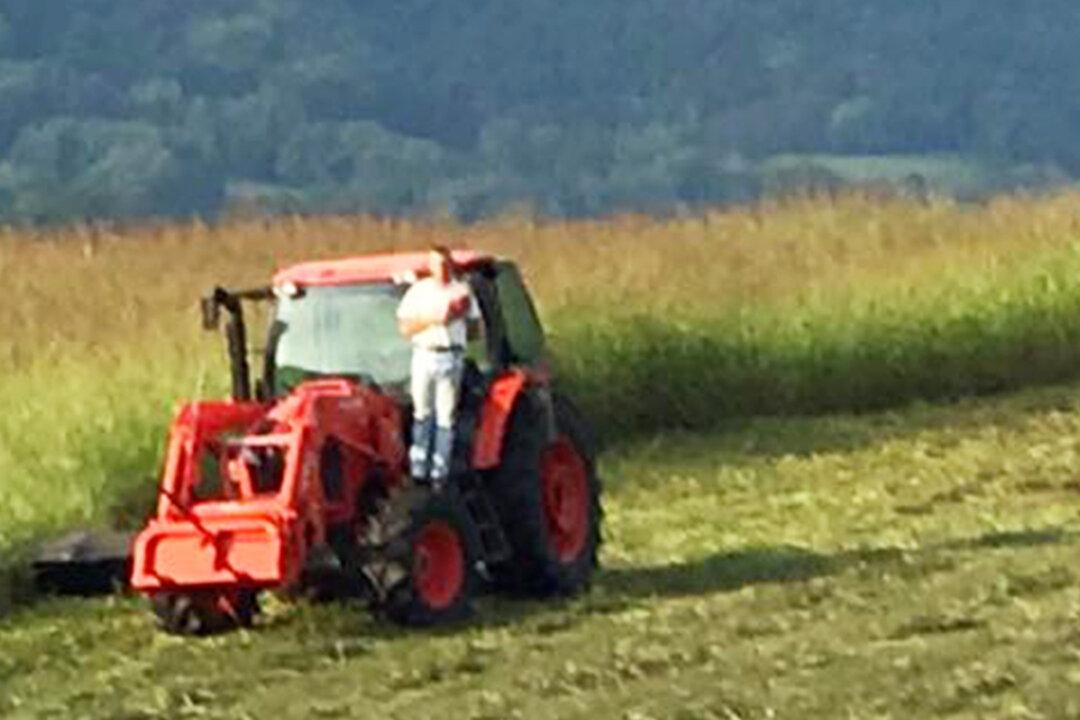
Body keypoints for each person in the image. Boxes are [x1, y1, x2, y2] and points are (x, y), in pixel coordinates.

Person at [396, 246, 481, 485]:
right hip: (425, 354)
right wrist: (435, 320)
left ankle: (439, 472)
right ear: (430, 267)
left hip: (451, 356)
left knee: (446, 416)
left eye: (446, 264)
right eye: (437, 264)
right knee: (422, 413)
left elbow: (475, 330)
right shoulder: (418, 292)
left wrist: (458, 318)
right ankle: (418, 468)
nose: (442, 269)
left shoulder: (461, 291)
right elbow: (404, 328)